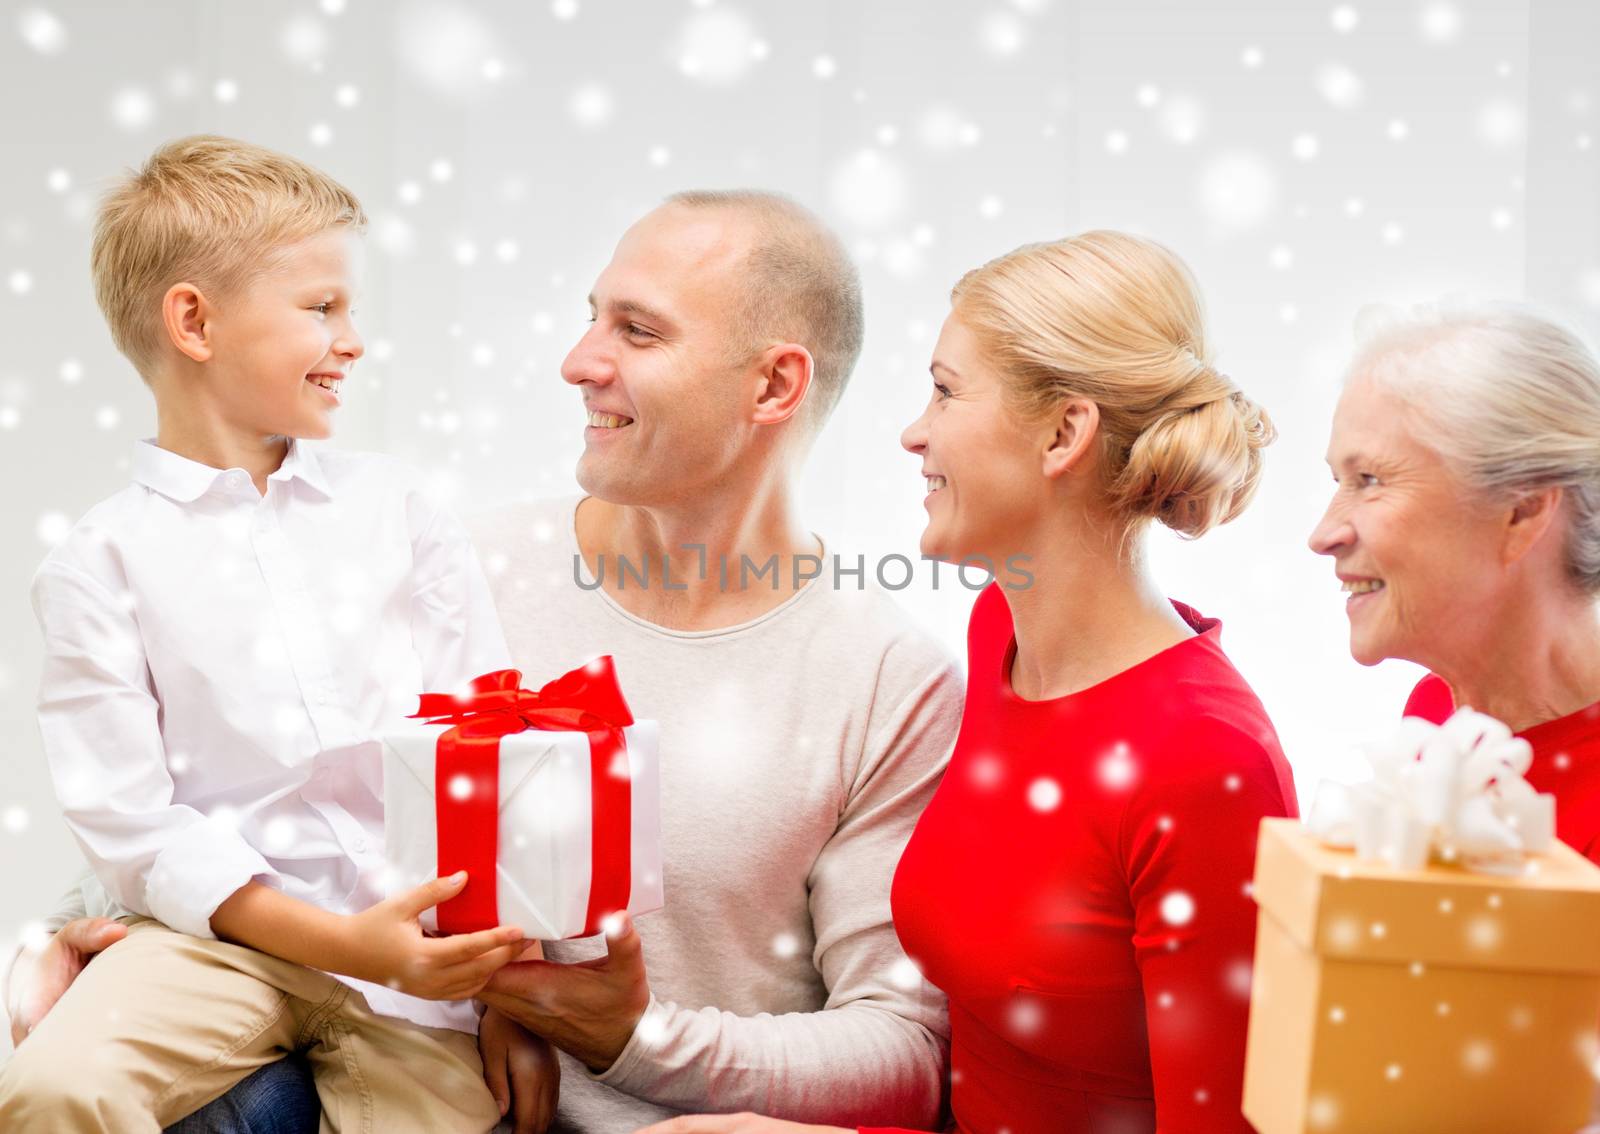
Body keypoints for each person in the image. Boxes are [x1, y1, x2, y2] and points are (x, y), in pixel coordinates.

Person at [10, 188, 961, 1132]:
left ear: (773, 387)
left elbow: (903, 1058)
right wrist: (63, 934)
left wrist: (633, 1035)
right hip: (365, 1053)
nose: (577, 362)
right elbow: (234, 791)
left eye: (637, 331)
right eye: (592, 317)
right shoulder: (451, 561)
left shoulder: (885, 682)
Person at [644, 231, 1299, 1134]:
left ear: (1065, 433)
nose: (915, 431)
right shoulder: (1001, 636)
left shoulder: (1204, 759)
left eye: (947, 391)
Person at [0, 135, 540, 1133]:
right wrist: (340, 942)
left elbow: (490, 752)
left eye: (351, 310)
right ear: (194, 321)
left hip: (415, 965)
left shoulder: (402, 511)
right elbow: (135, 826)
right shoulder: (97, 562)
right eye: (321, 308)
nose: (353, 339)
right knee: (57, 1089)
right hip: (213, 948)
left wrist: (512, 1000)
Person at [1309, 303, 1600, 859]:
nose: (1323, 534)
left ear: (1523, 510)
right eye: (1338, 479)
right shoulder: (1439, 719)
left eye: (1369, 480)